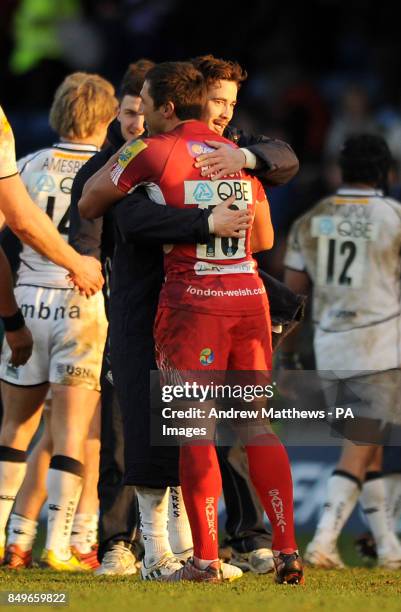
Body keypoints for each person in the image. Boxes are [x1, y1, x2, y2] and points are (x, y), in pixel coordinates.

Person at [79, 61, 302, 585]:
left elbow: (91, 199)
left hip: (192, 305)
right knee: (255, 426)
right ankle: (288, 548)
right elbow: (265, 239)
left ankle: (203, 557)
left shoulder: (152, 150)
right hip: (248, 297)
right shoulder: (240, 160)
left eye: (148, 106)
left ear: (166, 107)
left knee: (192, 429)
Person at [0, 73, 117, 569]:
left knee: (14, 427)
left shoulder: (24, 164)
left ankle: (7, 538)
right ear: (108, 119)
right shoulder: (107, 171)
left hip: (28, 299)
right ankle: (59, 543)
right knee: (72, 432)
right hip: (83, 301)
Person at [282, 134, 401, 570]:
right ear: (388, 174)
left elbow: (293, 297)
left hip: (331, 345)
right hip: (381, 347)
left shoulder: (311, 220)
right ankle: (323, 541)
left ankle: (389, 548)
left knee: (368, 445)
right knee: (360, 446)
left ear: (338, 172)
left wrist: (289, 357)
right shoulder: (395, 218)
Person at [0, 106, 102, 296]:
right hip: (85, 288)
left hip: (30, 291)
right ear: (107, 120)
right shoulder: (107, 167)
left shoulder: (30, 162)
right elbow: (20, 217)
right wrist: (78, 264)